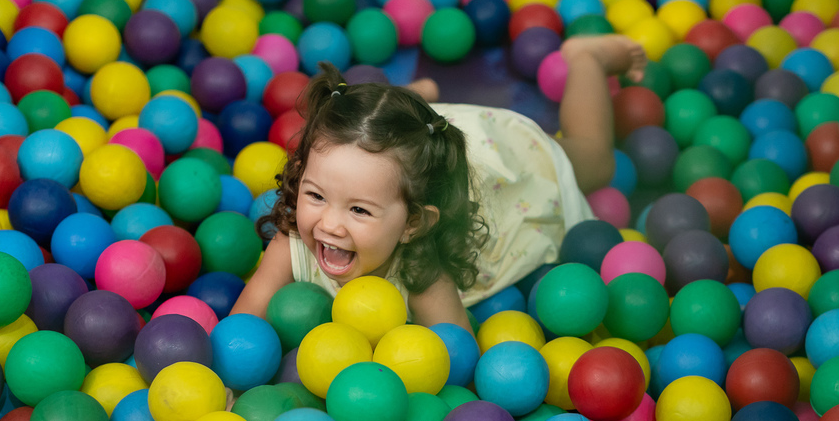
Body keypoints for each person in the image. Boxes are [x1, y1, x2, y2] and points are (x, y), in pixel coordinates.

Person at [230, 35, 648, 332]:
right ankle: (412, 100)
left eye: (359, 210)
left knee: (596, 162)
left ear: (413, 223)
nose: (330, 225)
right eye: (316, 195)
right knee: (381, 156)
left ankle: (587, 58)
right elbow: (243, 328)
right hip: (392, 158)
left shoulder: (420, 267)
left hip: (499, 162)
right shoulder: (294, 242)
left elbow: (455, 350)